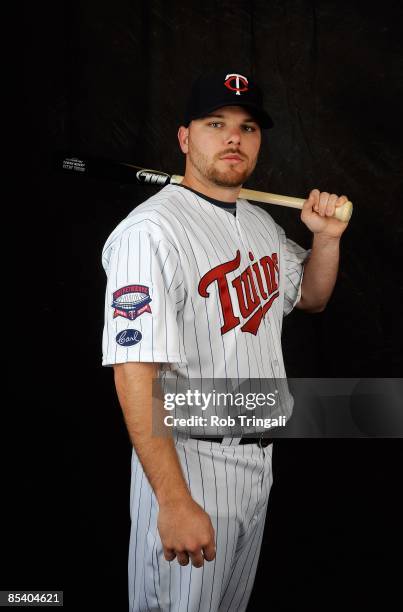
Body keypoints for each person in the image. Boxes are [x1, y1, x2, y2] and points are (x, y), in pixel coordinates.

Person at [101, 71, 350, 612]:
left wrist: (325, 239)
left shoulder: (259, 223)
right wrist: (172, 500)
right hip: (188, 462)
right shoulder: (152, 232)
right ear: (185, 138)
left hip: (257, 462)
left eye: (247, 126)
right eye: (216, 123)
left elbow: (310, 296)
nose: (233, 137)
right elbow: (133, 371)